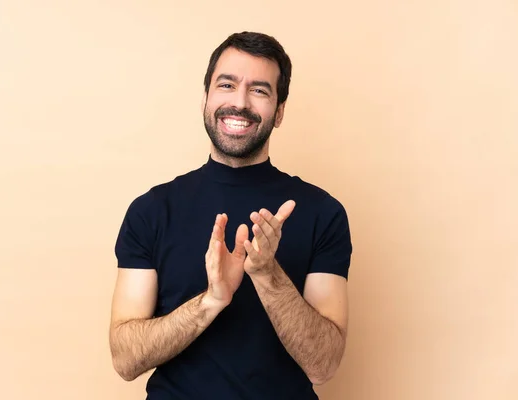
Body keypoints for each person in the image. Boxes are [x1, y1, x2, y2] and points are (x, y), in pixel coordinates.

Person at [109, 31, 353, 400]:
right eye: (227, 85)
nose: (239, 103)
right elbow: (125, 360)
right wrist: (211, 300)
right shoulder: (152, 210)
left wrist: (268, 275)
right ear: (206, 97)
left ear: (280, 111)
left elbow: (324, 365)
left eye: (259, 90)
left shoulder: (323, 213)